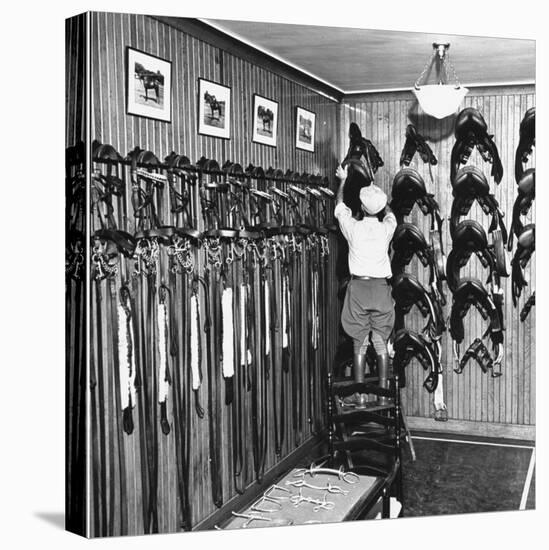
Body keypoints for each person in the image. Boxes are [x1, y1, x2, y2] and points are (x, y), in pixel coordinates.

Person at [334, 164, 397, 407]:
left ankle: (359, 396)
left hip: (358, 290)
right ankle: (384, 397)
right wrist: (382, 202)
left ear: (360, 207)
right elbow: (391, 215)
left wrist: (343, 180)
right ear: (380, 210)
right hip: (381, 290)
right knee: (380, 341)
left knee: (359, 342)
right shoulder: (387, 228)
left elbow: (339, 207)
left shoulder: (353, 227)